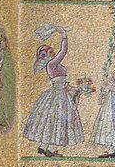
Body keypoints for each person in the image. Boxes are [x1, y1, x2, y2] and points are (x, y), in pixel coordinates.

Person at [23, 28, 85, 157]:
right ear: (46, 56)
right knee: (57, 120)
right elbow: (63, 52)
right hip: (58, 95)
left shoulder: (54, 64)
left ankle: (43, 147)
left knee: (54, 120)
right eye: (50, 52)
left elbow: (63, 84)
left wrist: (75, 89)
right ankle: (50, 149)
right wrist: (64, 36)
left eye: (52, 51)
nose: (53, 53)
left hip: (61, 92)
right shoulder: (51, 64)